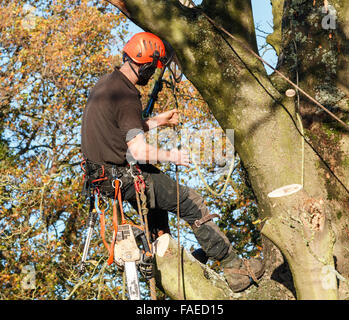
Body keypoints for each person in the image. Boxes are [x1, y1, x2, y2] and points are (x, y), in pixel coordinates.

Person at [80, 32, 264, 292]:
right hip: (125, 176)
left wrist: (158, 121)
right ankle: (234, 267)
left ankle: (172, 258)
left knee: (158, 207)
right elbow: (139, 150)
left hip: (108, 177)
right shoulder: (127, 94)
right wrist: (172, 156)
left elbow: (123, 128)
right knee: (190, 201)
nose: (152, 75)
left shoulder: (107, 85)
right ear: (144, 67)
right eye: (152, 69)